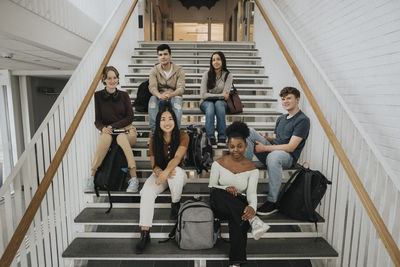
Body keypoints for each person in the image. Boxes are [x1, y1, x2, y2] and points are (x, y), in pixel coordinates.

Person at [209, 121, 270, 267]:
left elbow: (251, 193)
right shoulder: (218, 164)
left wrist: (252, 207)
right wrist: (225, 188)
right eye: (232, 146)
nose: (235, 150)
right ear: (228, 146)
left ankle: (235, 263)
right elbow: (211, 186)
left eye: (239, 146)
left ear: (246, 146)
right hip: (220, 203)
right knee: (218, 193)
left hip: (237, 205)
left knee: (240, 216)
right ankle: (254, 221)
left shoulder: (252, 169)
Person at [244, 87, 310, 216]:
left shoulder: (303, 120)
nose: (285, 101)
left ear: (297, 100)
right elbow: (276, 138)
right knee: (249, 131)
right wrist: (265, 138)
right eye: (283, 99)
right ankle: (242, 176)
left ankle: (272, 201)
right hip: (272, 151)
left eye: (289, 98)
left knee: (274, 156)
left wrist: (265, 148)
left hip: (286, 157)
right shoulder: (281, 118)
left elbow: (291, 147)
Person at [136, 106, 189, 254]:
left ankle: (175, 203)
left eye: (170, 119)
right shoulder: (154, 139)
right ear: (158, 122)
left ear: (175, 121)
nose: (167, 122)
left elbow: (178, 158)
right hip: (161, 174)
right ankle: (145, 233)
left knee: (175, 172)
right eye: (163, 119)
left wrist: (166, 172)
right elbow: (154, 164)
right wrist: (160, 172)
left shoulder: (183, 135)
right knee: (146, 192)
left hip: (177, 174)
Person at [85, 66, 139, 193]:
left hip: (126, 130)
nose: (112, 80)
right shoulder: (97, 96)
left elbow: (130, 117)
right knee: (104, 139)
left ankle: (134, 178)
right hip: (108, 131)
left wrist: (113, 126)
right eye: (109, 78)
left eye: (115, 78)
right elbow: (97, 120)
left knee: (121, 137)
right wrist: (103, 128)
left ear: (118, 79)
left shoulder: (124, 95)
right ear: (104, 79)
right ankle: (91, 177)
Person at [148, 44, 185, 133]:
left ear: (170, 55)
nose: (163, 57)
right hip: (159, 96)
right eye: (160, 55)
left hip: (174, 95)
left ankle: (175, 133)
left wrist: (171, 94)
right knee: (152, 99)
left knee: (178, 100)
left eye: (165, 54)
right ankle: (155, 133)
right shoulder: (154, 70)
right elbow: (152, 87)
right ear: (158, 57)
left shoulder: (179, 70)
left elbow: (181, 88)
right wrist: (159, 95)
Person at [199, 51, 232, 147]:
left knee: (218, 104)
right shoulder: (206, 74)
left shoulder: (228, 75)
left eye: (218, 59)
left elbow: (225, 96)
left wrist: (211, 96)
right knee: (210, 106)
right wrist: (219, 95)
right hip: (206, 103)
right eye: (213, 60)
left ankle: (222, 138)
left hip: (221, 104)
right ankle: (210, 138)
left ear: (222, 61)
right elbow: (203, 94)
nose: (215, 62)